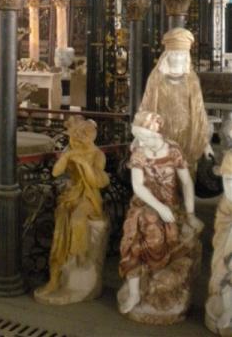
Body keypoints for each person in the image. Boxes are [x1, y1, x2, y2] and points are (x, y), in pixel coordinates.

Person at [118, 110, 203, 320]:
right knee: (139, 228)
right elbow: (138, 187)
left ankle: (156, 274)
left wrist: (190, 214)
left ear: (157, 134)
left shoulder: (173, 150)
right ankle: (135, 291)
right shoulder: (139, 153)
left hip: (170, 205)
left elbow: (186, 183)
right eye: (139, 136)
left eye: (146, 137)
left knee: (159, 229)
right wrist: (158, 207)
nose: (141, 142)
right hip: (144, 204)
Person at [36, 116, 109, 297]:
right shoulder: (70, 150)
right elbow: (56, 172)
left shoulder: (98, 155)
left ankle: (79, 253)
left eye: (81, 136)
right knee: (61, 226)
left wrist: (84, 164)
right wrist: (67, 156)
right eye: (74, 136)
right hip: (71, 194)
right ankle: (55, 276)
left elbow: (97, 182)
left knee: (77, 218)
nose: (76, 140)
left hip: (89, 197)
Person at [139, 27, 213, 173]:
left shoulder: (192, 80)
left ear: (187, 56)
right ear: (167, 56)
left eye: (181, 54)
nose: (178, 58)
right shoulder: (156, 78)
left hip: (186, 136)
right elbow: (147, 107)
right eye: (174, 54)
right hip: (162, 137)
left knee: (185, 175)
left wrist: (205, 143)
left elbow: (199, 113)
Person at [205, 150, 232, 335]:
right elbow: (222, 225)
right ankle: (227, 308)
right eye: (228, 181)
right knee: (224, 270)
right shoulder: (226, 203)